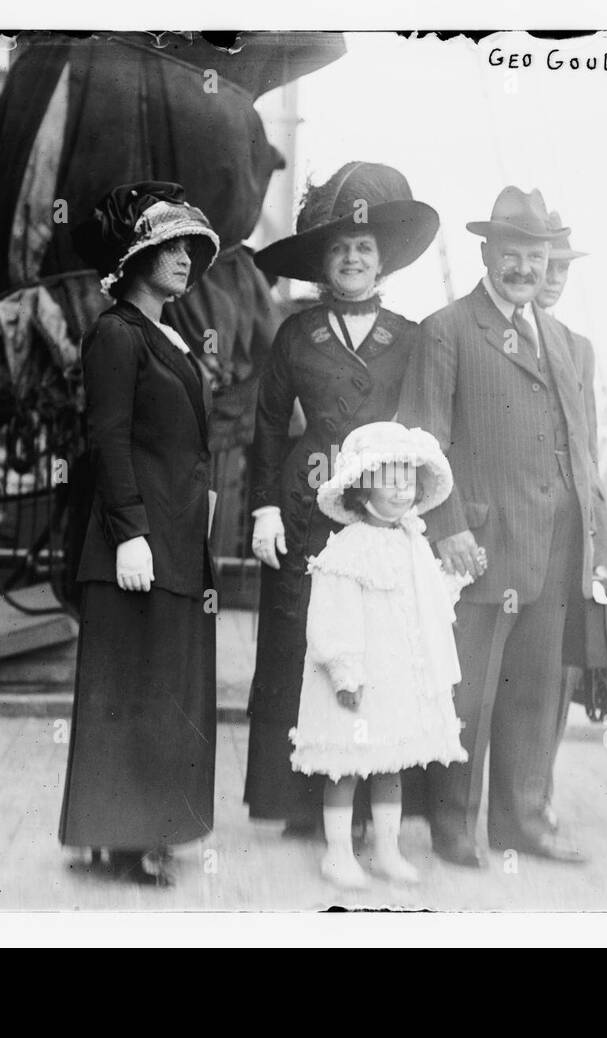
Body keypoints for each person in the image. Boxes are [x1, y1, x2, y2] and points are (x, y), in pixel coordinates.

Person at [396, 186, 602, 868]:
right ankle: (453, 824)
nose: (524, 268)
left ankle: (523, 823)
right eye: (511, 253)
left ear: (551, 260)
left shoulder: (574, 346)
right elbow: (425, 438)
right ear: (487, 253)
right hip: (478, 548)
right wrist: (448, 526)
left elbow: (585, 454)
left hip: (557, 549)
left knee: (536, 696)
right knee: (469, 695)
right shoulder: (448, 329)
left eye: (536, 256)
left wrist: (593, 546)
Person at [244, 162, 440, 836]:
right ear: (324, 263)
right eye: (340, 249)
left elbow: (420, 435)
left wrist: (411, 514)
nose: (352, 259)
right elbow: (267, 424)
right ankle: (300, 804)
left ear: (382, 259)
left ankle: (374, 809)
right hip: (305, 513)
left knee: (377, 649)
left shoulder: (411, 338)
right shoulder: (297, 333)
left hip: (379, 515)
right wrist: (265, 508)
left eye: (363, 248)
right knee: (305, 642)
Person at [58, 181, 221, 887]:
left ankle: (131, 830)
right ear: (136, 254)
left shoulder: (167, 336)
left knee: (165, 691)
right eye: (169, 245)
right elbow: (109, 438)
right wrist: (129, 532)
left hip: (175, 539)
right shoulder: (116, 332)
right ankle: (126, 840)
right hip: (138, 544)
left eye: (189, 246)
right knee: (132, 692)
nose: (184, 257)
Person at [291, 422, 470, 888]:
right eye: (389, 479)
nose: (401, 490)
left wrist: (454, 582)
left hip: (394, 676)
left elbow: (425, 600)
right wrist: (345, 671)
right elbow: (333, 617)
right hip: (358, 677)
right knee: (347, 764)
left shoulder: (413, 542)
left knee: (391, 762)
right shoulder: (348, 548)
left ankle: (387, 849)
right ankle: (337, 853)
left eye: (407, 480)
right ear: (361, 487)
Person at [533, 208, 607, 831]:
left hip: (567, 538)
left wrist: (597, 533)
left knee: (556, 681)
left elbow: (585, 448)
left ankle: (540, 793)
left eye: (564, 268)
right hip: (507, 537)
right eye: (548, 265)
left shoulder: (577, 350)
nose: (555, 277)